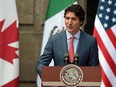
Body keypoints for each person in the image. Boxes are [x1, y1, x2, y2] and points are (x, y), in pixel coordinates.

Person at [36, 4, 99, 77]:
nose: (69, 22)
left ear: (81, 21)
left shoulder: (90, 41)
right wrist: (49, 76)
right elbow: (41, 64)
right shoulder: (54, 40)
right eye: (67, 18)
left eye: (73, 19)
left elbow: (94, 69)